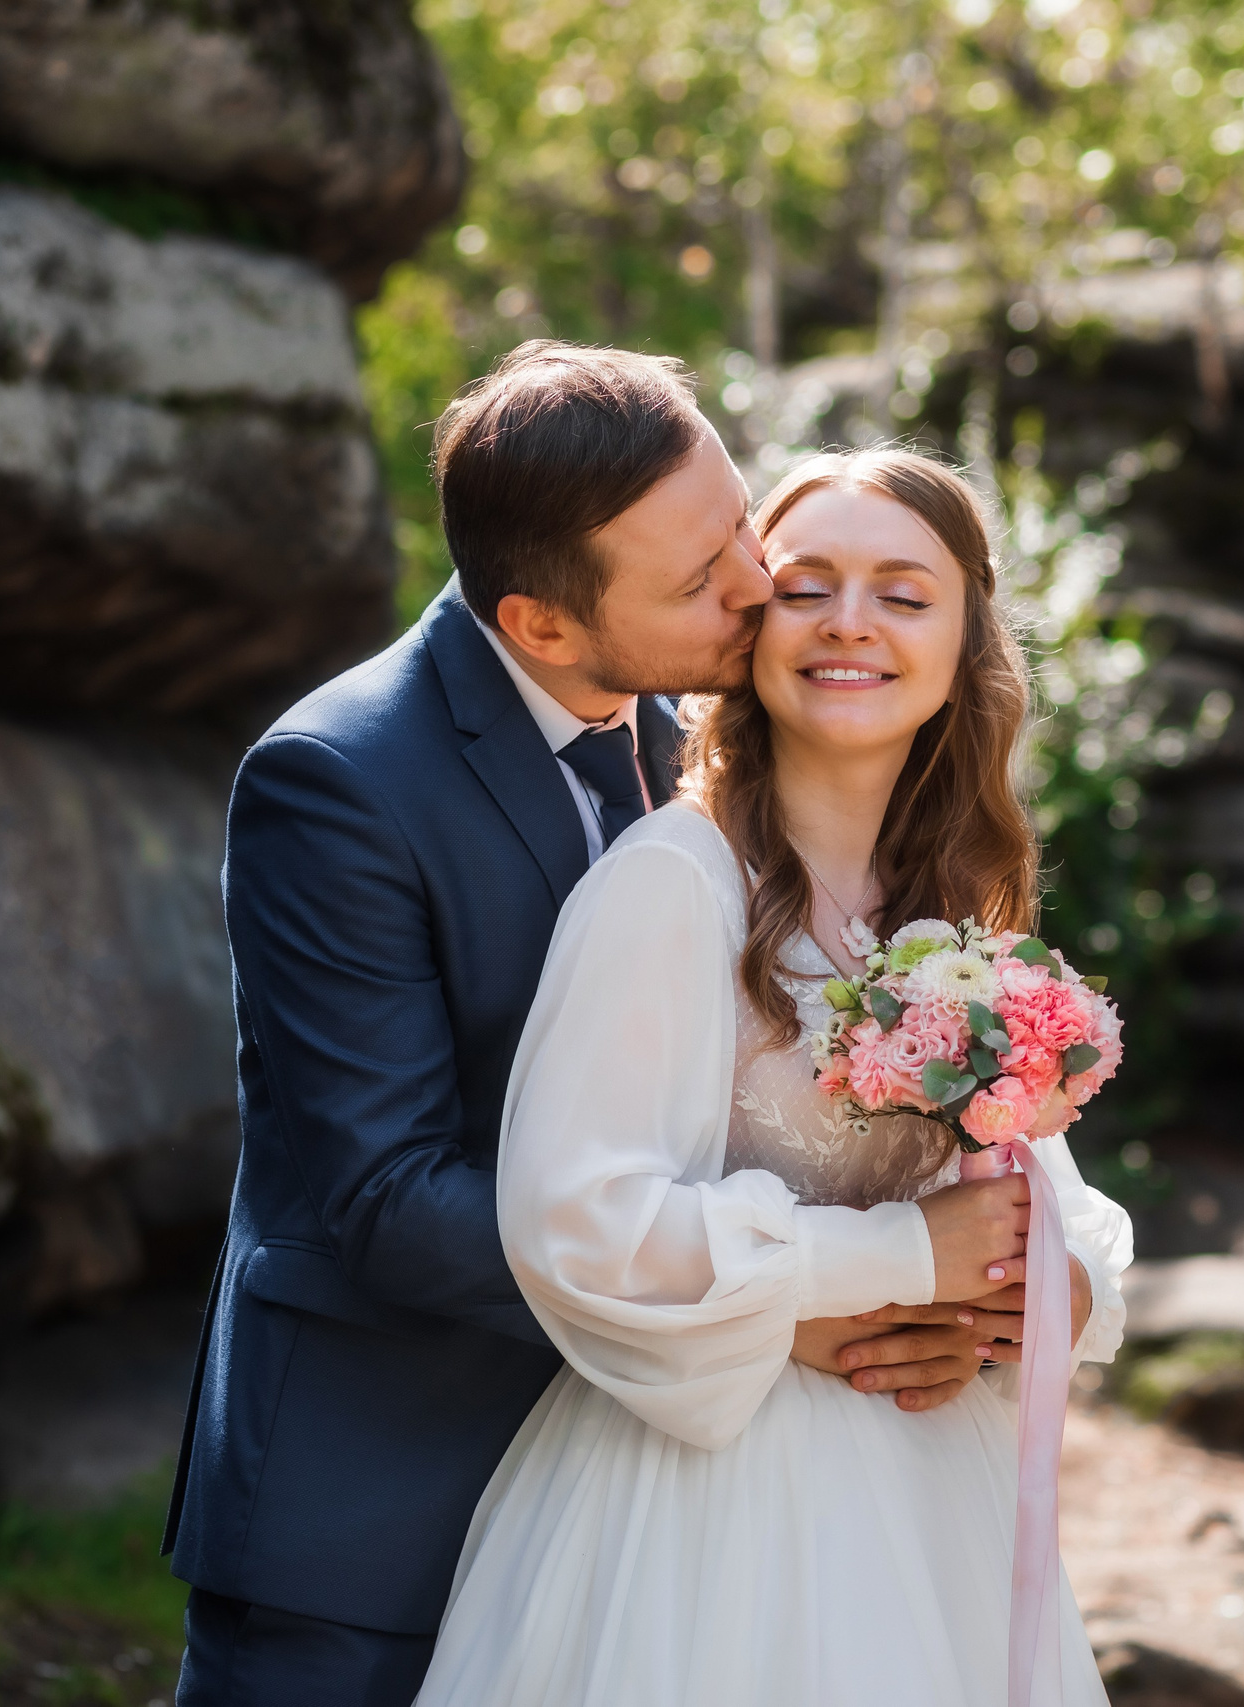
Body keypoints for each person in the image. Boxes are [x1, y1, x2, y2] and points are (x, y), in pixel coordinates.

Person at [163, 346, 1036, 1706]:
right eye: (700, 579)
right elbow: (390, 1195)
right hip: (384, 1478)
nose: (755, 583)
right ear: (545, 625)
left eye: (737, 523)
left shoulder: (715, 732)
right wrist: (784, 1304)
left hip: (676, 1490)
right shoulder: (338, 785)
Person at [415, 447, 1135, 1707]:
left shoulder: (951, 911)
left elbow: (1044, 1199)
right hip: (711, 1509)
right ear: (751, 623)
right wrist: (899, 1259)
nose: (850, 622)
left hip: (934, 1499)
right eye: (806, 588)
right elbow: (576, 1220)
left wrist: (1034, 1296)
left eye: (902, 595)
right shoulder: (671, 883)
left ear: (966, 643)